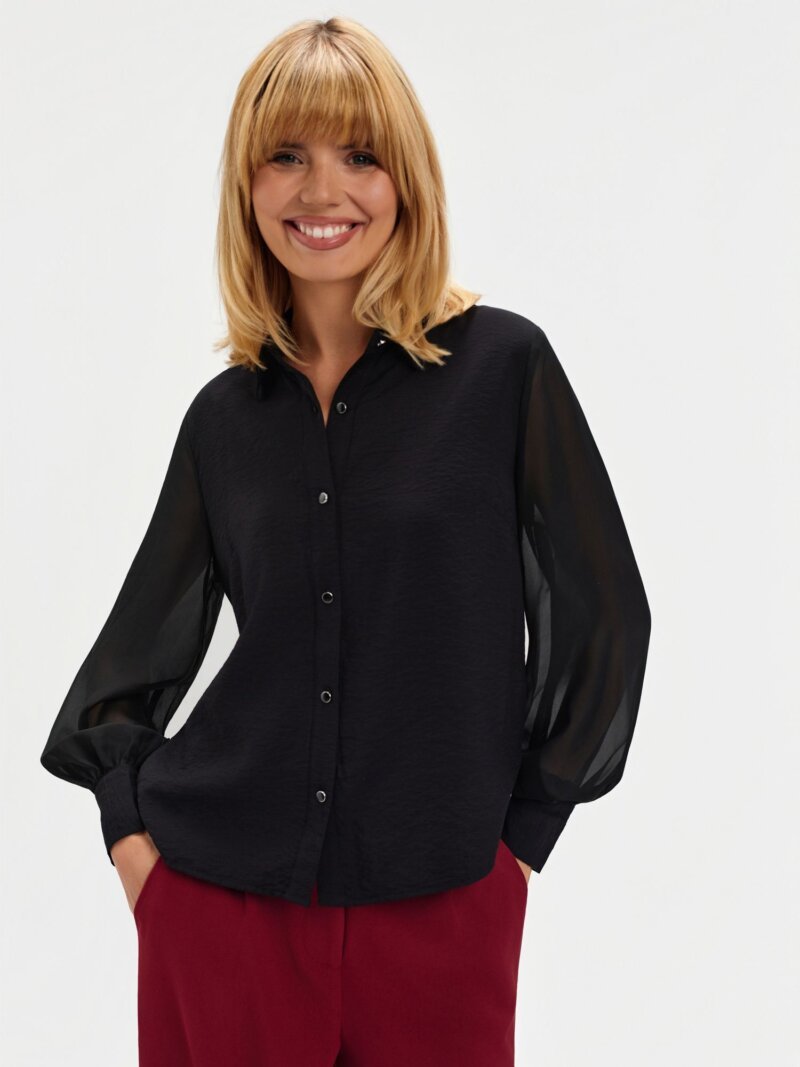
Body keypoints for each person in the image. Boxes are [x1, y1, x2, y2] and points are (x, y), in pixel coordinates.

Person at [40, 16, 652, 1067]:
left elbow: (603, 617)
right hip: (224, 910)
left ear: (406, 179)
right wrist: (140, 857)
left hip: (443, 908)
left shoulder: (502, 369)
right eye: (286, 155)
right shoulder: (224, 421)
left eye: (360, 155)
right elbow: (127, 669)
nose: (322, 189)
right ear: (247, 186)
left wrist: (518, 846)